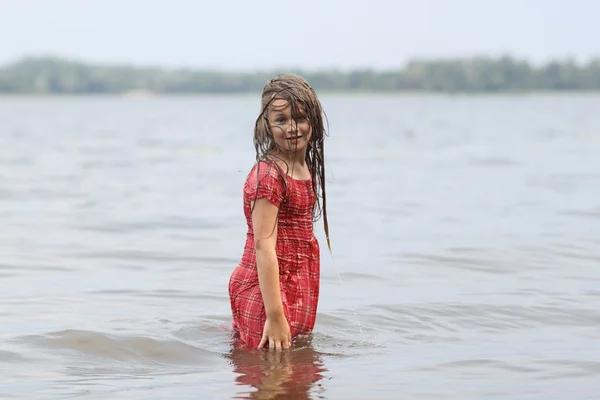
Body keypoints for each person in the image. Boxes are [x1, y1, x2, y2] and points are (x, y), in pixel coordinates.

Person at [228, 73, 331, 351]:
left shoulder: (305, 168)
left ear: (314, 119)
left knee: (295, 378)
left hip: (296, 284)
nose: (292, 128)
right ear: (266, 125)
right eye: (281, 120)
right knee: (270, 376)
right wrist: (274, 315)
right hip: (264, 290)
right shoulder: (269, 175)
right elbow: (264, 248)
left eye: (299, 117)